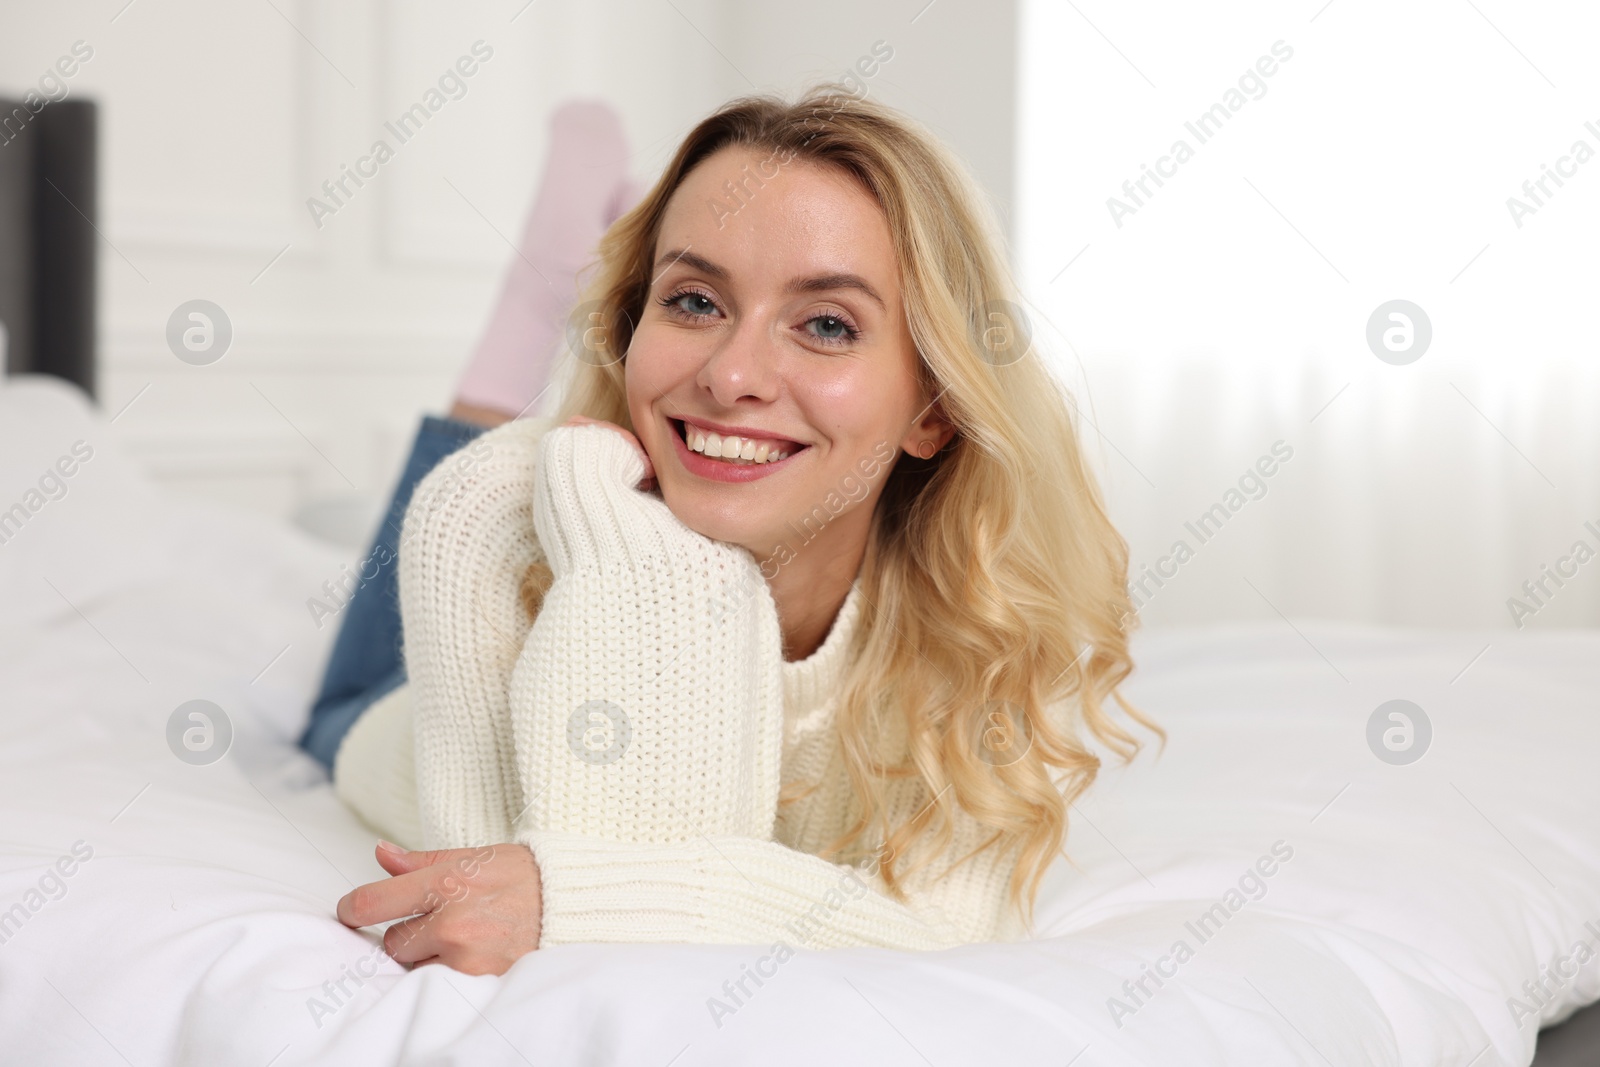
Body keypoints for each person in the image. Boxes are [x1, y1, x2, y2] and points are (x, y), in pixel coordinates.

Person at [320, 87, 1162, 977]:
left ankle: (553, 283)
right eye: (692, 301)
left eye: (828, 323)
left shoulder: (998, 627)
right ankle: (540, 290)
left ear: (934, 410)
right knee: (387, 622)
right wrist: (651, 568)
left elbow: (945, 935)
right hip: (377, 721)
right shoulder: (495, 514)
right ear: (629, 331)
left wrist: (581, 898)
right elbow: (487, 897)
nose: (732, 375)